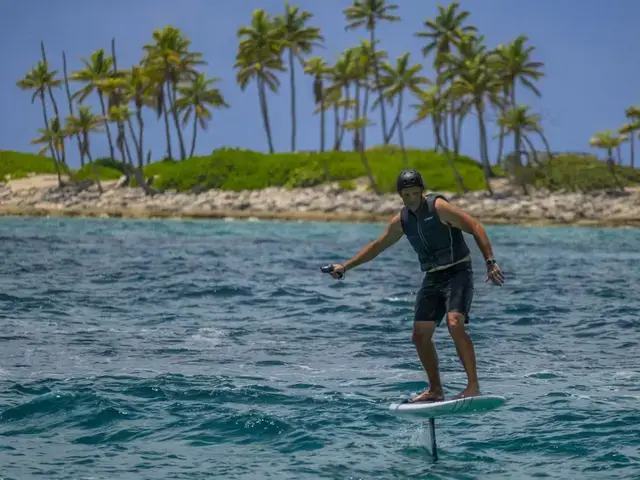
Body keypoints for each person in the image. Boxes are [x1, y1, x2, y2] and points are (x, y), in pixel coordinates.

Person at [323, 168, 504, 402]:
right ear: (400, 196)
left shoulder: (439, 207)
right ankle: (435, 390)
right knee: (420, 335)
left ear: (422, 192)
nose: (411, 200)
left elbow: (475, 226)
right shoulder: (401, 221)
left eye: (415, 194)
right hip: (432, 277)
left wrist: (490, 261)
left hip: (458, 271)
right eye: (406, 196)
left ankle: (473, 386)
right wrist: (345, 267)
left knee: (454, 323)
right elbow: (377, 246)